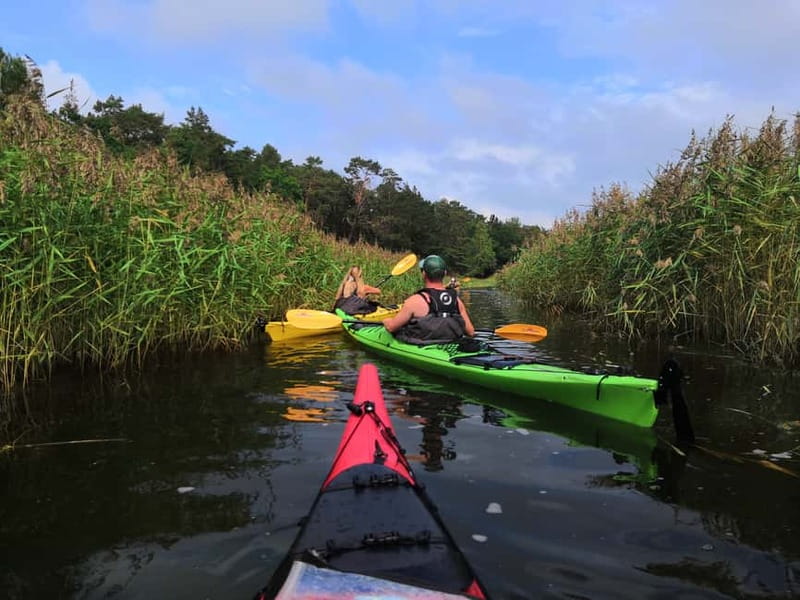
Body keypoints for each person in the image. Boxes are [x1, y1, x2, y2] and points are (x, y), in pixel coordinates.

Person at [383, 255, 475, 344]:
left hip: (423, 345)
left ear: (424, 274)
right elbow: (471, 332)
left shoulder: (414, 301)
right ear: (445, 273)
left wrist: (385, 320)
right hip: (450, 342)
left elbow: (391, 327)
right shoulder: (456, 301)